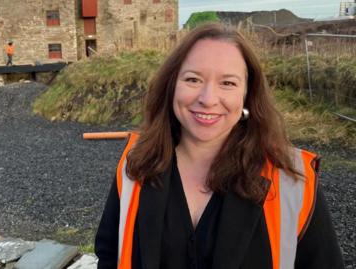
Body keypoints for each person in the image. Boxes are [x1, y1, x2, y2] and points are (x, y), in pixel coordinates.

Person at [94, 23, 344, 269]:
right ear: (172, 86)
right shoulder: (136, 164)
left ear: (247, 94)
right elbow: (108, 255)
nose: (208, 99)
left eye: (228, 83)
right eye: (193, 79)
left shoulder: (293, 181)